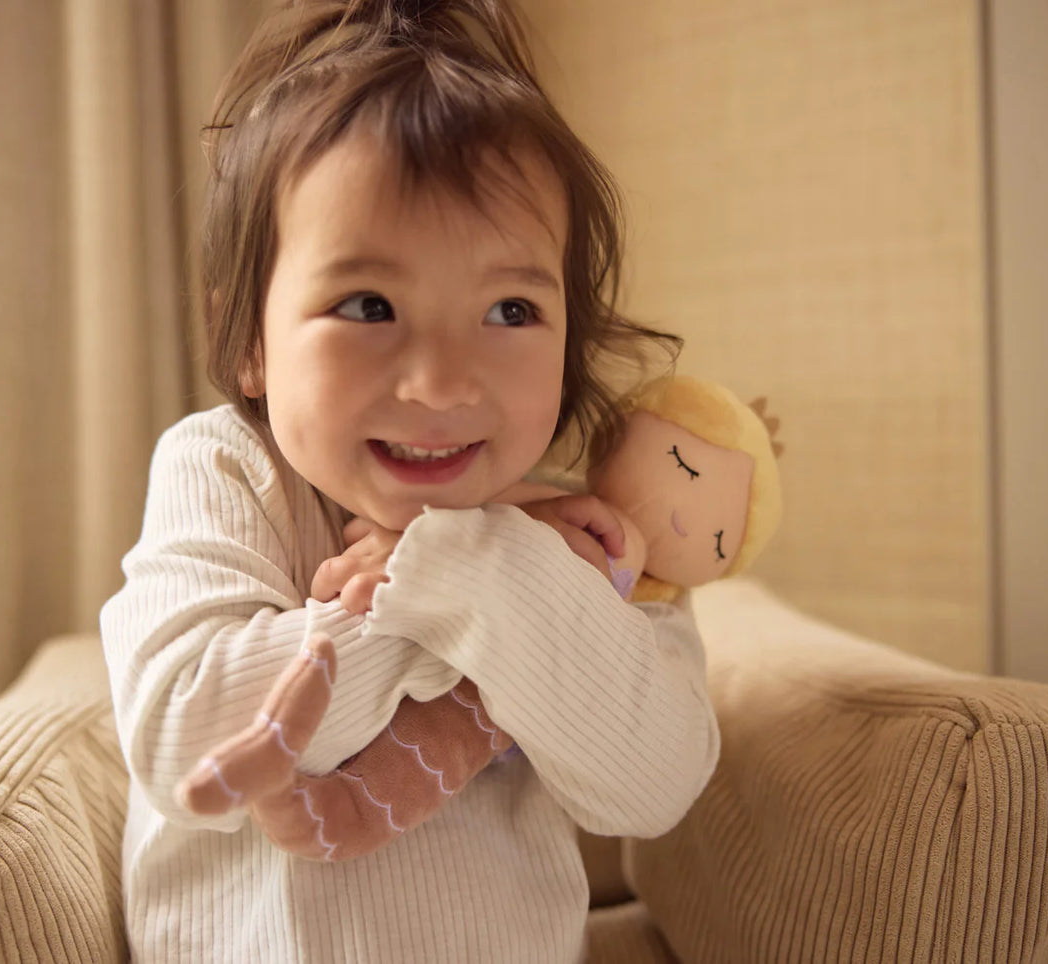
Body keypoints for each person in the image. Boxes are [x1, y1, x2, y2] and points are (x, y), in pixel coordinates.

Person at [98, 0, 719, 959]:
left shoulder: (567, 528)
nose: (439, 383)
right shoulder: (227, 464)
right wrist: (430, 596)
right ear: (249, 340)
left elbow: (658, 781)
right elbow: (185, 731)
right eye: (368, 303)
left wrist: (489, 564)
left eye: (510, 308)